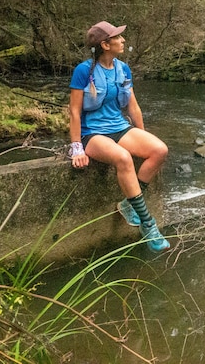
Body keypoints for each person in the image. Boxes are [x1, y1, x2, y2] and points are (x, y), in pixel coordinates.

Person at [68, 21, 171, 253]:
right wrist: (76, 147)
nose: (123, 40)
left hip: (119, 127)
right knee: (123, 158)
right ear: (105, 44)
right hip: (92, 133)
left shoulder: (123, 68)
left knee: (159, 150)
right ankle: (148, 224)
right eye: (117, 37)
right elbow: (74, 111)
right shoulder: (84, 71)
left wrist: (142, 134)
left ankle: (129, 205)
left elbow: (133, 107)